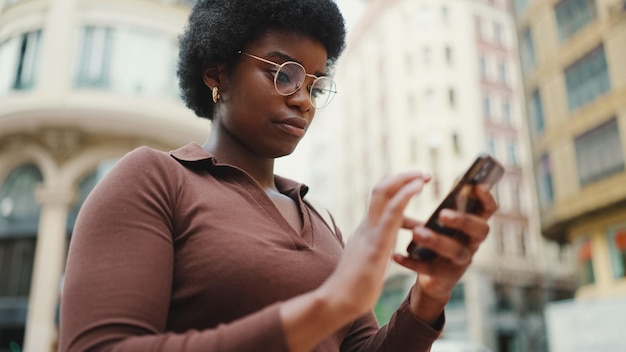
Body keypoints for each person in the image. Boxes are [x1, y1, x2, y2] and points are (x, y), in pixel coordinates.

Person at [58, 0, 497, 351]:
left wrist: (429, 295)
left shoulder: (321, 220)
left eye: (314, 85)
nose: (303, 100)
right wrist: (327, 306)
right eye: (283, 75)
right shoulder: (153, 179)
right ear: (217, 73)